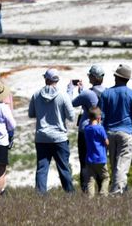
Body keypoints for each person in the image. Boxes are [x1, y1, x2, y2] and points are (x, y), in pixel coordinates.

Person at [99, 64, 132, 194]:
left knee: (115, 165)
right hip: (126, 133)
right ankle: (117, 193)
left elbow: (101, 117)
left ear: (116, 77)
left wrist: (101, 135)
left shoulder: (106, 94)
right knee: (122, 165)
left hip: (109, 133)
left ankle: (121, 191)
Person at [27, 69, 75, 194]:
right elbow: (71, 116)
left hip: (42, 136)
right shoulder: (63, 95)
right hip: (59, 137)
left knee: (42, 169)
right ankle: (70, 193)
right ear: (57, 80)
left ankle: (40, 195)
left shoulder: (36, 94)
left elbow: (31, 113)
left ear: (46, 79)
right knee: (64, 168)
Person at [67, 65, 105, 193]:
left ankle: (86, 189)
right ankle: (101, 188)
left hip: (86, 130)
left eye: (90, 75)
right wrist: (82, 91)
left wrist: (70, 88)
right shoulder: (106, 92)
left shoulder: (88, 93)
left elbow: (70, 102)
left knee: (84, 160)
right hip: (101, 129)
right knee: (100, 159)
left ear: (93, 77)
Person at [81, 107, 110, 196]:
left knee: (90, 179)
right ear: (99, 118)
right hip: (100, 158)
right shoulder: (100, 129)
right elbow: (106, 142)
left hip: (90, 158)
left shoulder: (86, 129)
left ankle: (90, 197)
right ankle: (103, 192)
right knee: (106, 177)